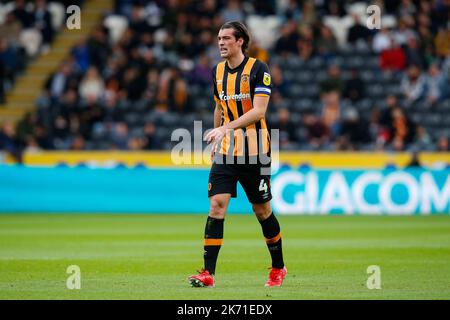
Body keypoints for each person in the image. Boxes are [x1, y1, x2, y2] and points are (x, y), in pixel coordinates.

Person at [188, 21, 286, 288]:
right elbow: (220, 106)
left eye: (227, 38)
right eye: (219, 38)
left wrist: (225, 128)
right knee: (217, 205)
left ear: (240, 41)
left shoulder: (258, 69)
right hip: (226, 152)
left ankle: (278, 267)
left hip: (255, 153)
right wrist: (216, 135)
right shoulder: (217, 71)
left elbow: (259, 111)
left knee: (262, 210)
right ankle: (208, 273)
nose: (221, 42)